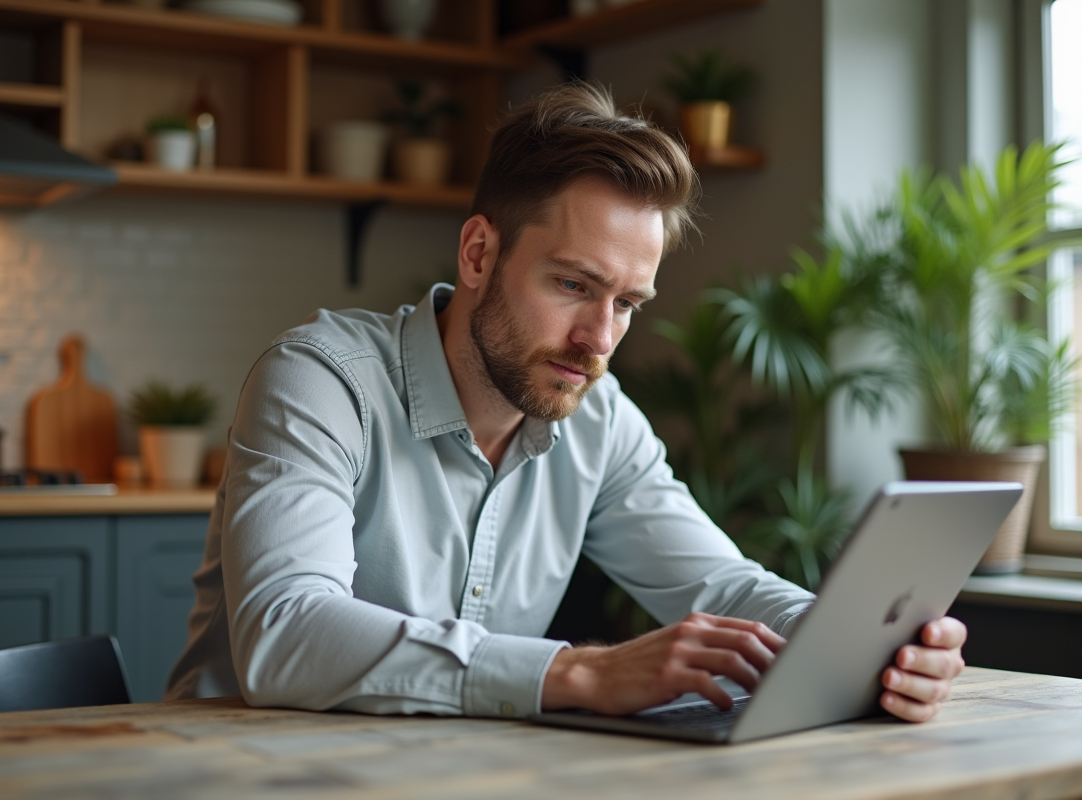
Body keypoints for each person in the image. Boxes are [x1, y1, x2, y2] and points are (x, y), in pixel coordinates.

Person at [166, 82, 965, 724]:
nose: (599, 338)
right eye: (574, 285)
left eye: (626, 303)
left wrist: (872, 644)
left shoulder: (601, 418)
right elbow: (288, 633)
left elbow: (721, 587)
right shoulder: (319, 379)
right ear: (480, 251)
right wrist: (577, 670)